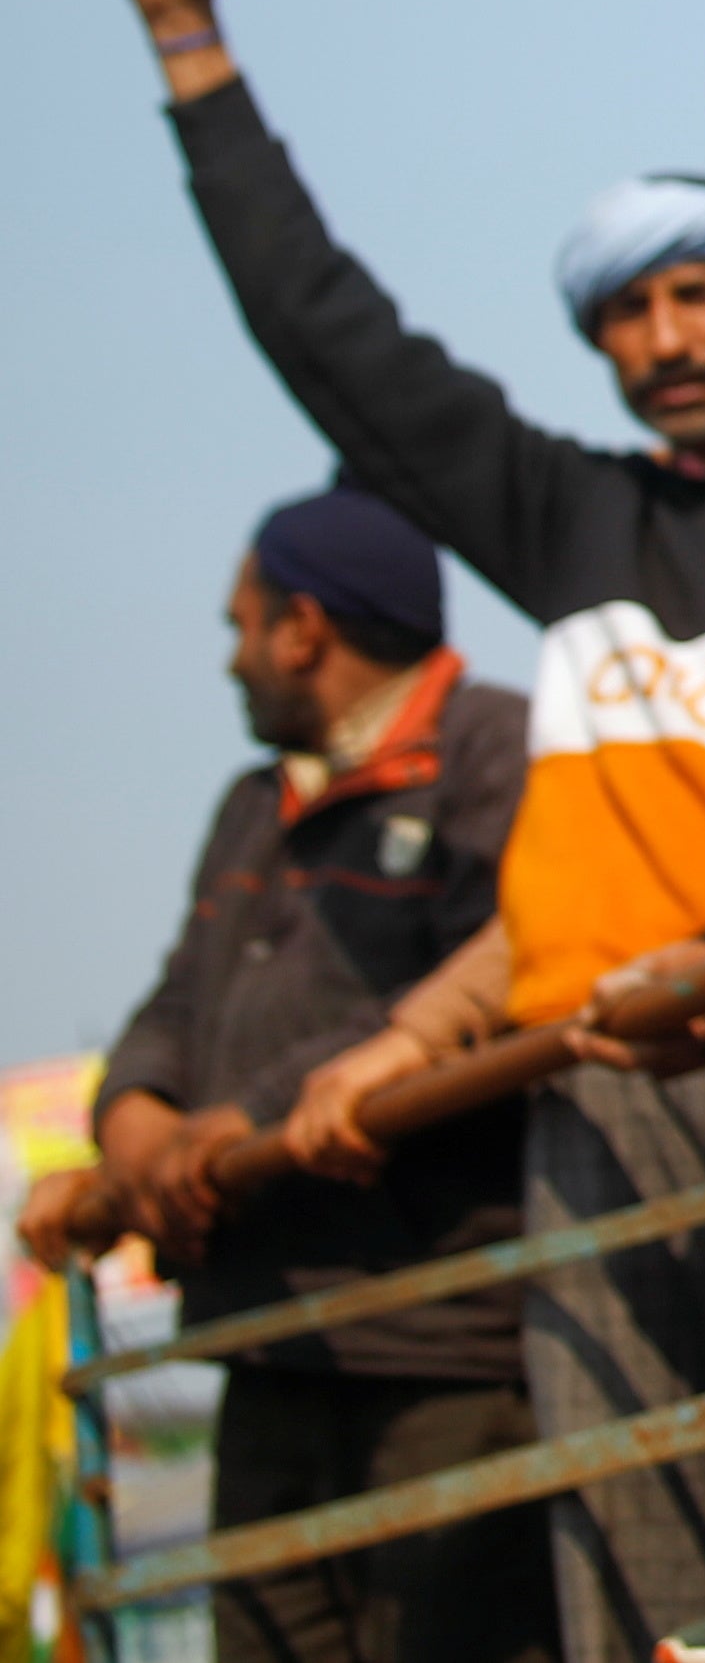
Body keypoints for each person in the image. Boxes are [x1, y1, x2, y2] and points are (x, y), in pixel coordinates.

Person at [120, 0, 705, 1663]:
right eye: (626, 312)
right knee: (647, 1558)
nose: (666, 337)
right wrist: (190, 46)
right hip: (603, 1090)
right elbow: (334, 336)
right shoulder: (582, 519)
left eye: (704, 291)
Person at [18, 495, 551, 1663]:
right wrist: (140, 1131)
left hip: (438, 1331)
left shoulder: (494, 750)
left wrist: (237, 1125)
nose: (231, 659)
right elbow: (175, 1001)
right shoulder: (256, 803)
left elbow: (497, 967)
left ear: (302, 629)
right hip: (269, 1332)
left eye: (241, 626)